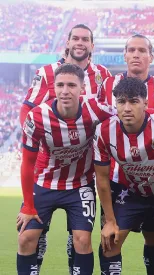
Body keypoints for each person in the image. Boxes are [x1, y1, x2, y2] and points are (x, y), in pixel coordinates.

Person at [18, 24, 111, 274]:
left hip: (82, 175)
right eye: (75, 38)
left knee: (81, 239)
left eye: (86, 39)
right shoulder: (47, 73)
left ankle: (75, 244)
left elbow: (118, 114)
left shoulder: (102, 75)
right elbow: (27, 109)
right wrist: (37, 135)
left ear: (92, 45)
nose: (80, 43)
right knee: (29, 236)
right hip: (46, 171)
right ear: (67, 43)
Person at [93, 77, 154, 275]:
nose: (127, 108)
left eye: (134, 101)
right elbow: (102, 180)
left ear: (145, 103)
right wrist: (110, 222)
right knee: (109, 243)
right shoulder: (104, 131)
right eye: (121, 102)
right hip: (133, 193)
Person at [98, 34, 154, 275]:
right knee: (109, 238)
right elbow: (105, 116)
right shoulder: (109, 85)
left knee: (152, 235)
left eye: (142, 50)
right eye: (131, 49)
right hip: (121, 179)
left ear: (151, 57)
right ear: (124, 55)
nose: (136, 54)